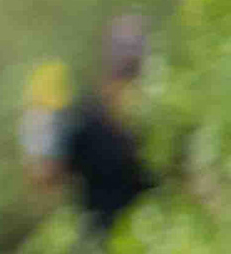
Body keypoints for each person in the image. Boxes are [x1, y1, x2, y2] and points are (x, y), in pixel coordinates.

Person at [28, 13, 159, 240]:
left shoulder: (159, 117)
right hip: (104, 242)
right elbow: (46, 175)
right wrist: (40, 123)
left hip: (156, 239)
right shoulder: (83, 117)